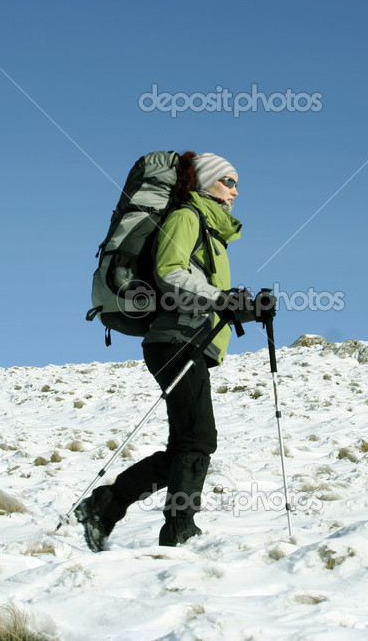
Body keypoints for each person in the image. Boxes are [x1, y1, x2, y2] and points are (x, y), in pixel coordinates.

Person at [75, 151, 254, 549]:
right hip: (175, 340)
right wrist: (222, 300)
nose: (236, 191)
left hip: (186, 340)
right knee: (198, 441)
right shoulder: (188, 216)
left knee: (184, 446)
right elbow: (170, 271)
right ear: (207, 182)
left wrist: (249, 307)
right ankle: (179, 529)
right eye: (229, 180)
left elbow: (200, 288)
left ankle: (105, 506)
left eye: (238, 183)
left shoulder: (210, 229)